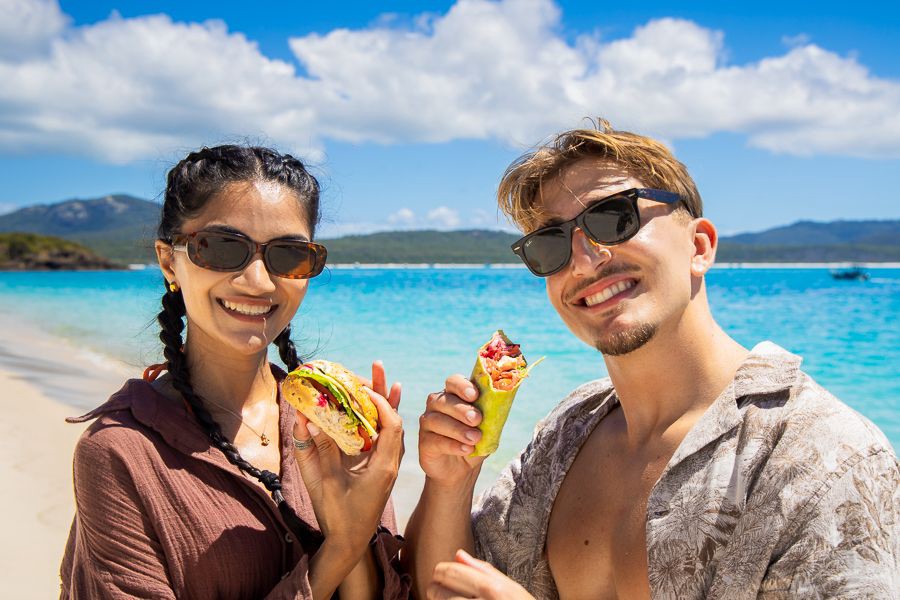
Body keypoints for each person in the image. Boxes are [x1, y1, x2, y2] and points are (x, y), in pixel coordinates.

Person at [406, 121, 899, 599]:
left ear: (699, 246)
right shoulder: (563, 436)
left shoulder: (821, 454)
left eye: (613, 218)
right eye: (550, 244)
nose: (584, 260)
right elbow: (444, 586)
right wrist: (452, 480)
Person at [60, 145, 409, 599]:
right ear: (169, 261)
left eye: (288, 254)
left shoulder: (335, 426)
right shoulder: (121, 453)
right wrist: (340, 547)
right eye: (224, 247)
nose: (260, 281)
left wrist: (432, 481)